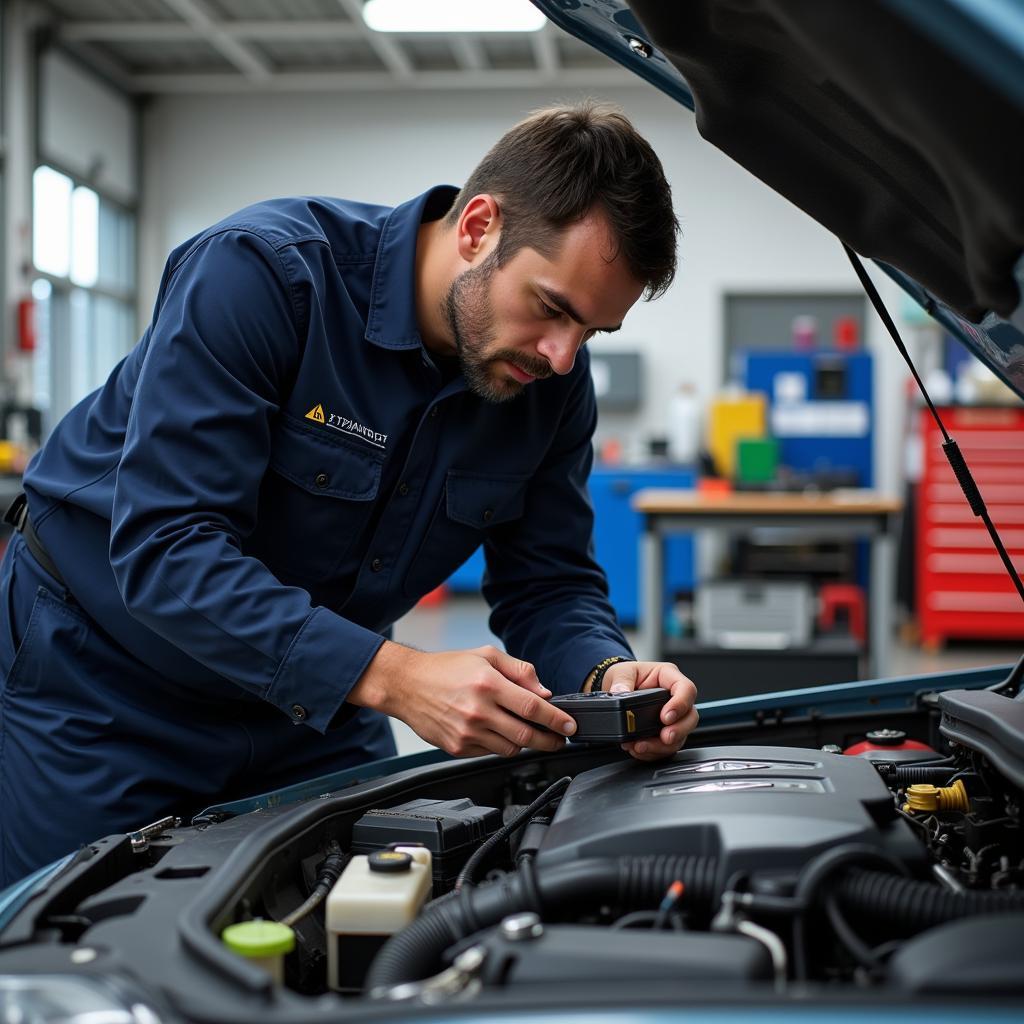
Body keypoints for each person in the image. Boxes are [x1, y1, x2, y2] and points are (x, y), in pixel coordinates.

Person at [0, 102, 698, 886]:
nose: (564, 357)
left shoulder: (551, 387)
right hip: (105, 687)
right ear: (478, 228)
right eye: (552, 309)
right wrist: (397, 677)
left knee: (373, 926)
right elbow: (167, 549)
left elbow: (550, 582)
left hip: (315, 708)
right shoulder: (262, 276)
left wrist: (607, 674)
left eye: (591, 334)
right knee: (78, 954)